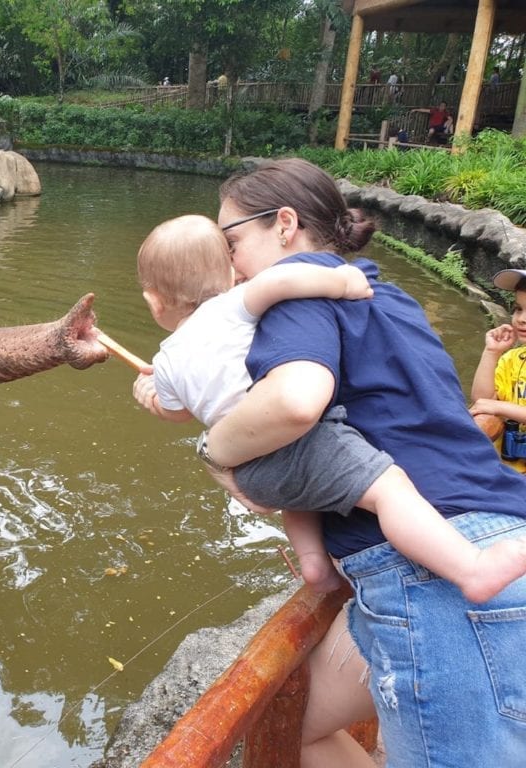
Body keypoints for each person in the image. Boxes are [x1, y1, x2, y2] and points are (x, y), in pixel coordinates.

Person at [204, 157, 526, 766]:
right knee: (292, 724)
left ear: (285, 225)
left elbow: (298, 400)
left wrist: (216, 450)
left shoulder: (295, 292)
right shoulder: (391, 295)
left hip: (438, 583)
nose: (230, 263)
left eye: (233, 241)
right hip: (499, 532)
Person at [132, 213, 526, 603]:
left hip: (250, 469)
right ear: (231, 274)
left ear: (153, 302)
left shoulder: (165, 360)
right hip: (297, 443)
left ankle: (314, 565)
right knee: (388, 490)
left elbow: (178, 411)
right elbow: (283, 281)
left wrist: (150, 393)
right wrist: (341, 281)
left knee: (299, 495)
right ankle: (470, 568)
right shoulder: (234, 305)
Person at [470, 268, 526, 473]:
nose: (521, 319)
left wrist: (501, 408)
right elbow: (482, 400)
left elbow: (493, 406)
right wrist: (492, 353)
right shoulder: (512, 359)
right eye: (518, 309)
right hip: (508, 472)